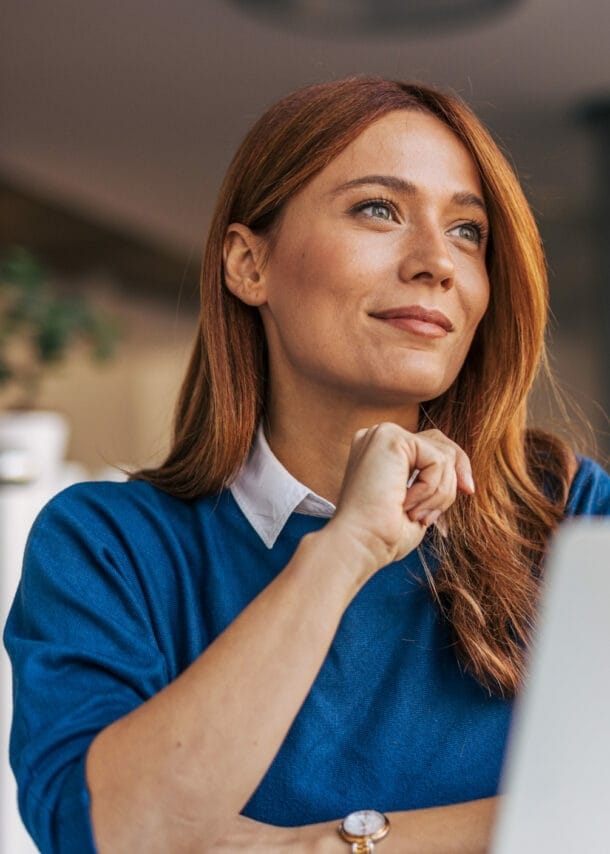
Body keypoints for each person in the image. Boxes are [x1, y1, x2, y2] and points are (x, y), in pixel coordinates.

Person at [4, 77, 610, 854]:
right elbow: (113, 836)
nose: (438, 263)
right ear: (248, 266)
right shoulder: (109, 545)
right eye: (379, 210)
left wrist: (332, 846)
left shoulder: (567, 515)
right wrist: (344, 552)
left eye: (468, 231)